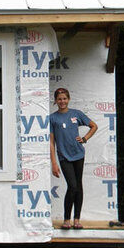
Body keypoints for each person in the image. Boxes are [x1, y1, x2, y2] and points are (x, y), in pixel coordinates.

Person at [49, 88, 98, 230]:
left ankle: (77, 219)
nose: (62, 101)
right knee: (72, 186)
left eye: (64, 98)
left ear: (68, 99)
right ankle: (66, 219)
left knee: (78, 186)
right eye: (59, 99)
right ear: (55, 100)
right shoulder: (52, 118)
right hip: (64, 157)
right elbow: (51, 142)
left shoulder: (76, 114)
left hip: (78, 154)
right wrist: (54, 163)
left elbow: (94, 126)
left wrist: (84, 138)